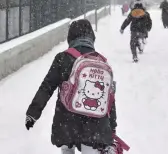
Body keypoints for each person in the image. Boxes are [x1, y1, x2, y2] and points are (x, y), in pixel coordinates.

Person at [25, 19, 118, 154]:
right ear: (91, 37)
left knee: (67, 149)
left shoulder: (63, 58)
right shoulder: (101, 62)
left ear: (70, 37)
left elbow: (47, 87)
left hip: (66, 122)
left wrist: (33, 113)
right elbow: (109, 99)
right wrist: (112, 127)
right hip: (95, 125)